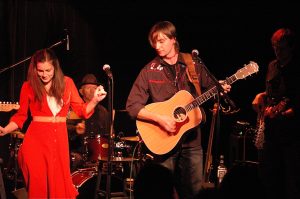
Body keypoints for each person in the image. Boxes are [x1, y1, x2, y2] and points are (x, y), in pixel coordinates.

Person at [126, 21, 231, 199]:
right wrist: (160, 119)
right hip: (164, 144)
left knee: (194, 192)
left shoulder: (193, 64)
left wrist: (219, 89)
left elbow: (208, 92)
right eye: (154, 42)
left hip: (192, 142)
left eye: (161, 41)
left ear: (173, 39)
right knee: (161, 193)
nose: (157, 46)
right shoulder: (149, 70)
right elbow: (132, 106)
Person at [0, 48, 107, 198]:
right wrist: (6, 129)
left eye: (48, 70)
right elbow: (21, 116)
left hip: (59, 143)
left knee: (59, 189)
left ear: (55, 67)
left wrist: (95, 100)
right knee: (39, 189)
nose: (44, 74)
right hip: (35, 144)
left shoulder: (67, 83)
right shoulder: (28, 86)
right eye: (40, 70)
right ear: (35, 69)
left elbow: (82, 110)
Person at [252, 28, 300, 199]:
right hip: (272, 132)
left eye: (282, 48)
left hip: (293, 135)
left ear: (291, 48)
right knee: (268, 178)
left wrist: (285, 114)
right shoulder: (272, 66)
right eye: (275, 47)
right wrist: (260, 96)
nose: (278, 52)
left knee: (292, 182)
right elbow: (270, 92)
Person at [67, 73, 110, 168]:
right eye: (88, 88)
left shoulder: (103, 112)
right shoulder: (73, 110)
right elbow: (64, 129)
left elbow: (108, 134)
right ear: (81, 91)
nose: (92, 91)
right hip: (78, 154)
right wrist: (75, 129)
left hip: (99, 156)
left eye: (94, 88)